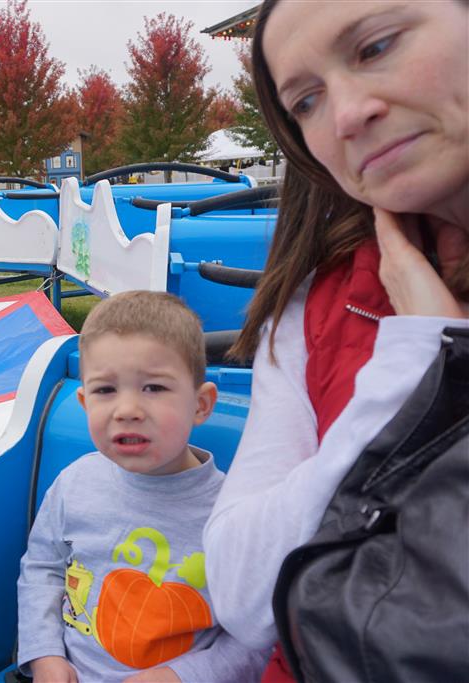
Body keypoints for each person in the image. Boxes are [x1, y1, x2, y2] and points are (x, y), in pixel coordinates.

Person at [202, 1, 468, 681]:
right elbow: (241, 590)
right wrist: (416, 361)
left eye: (376, 47)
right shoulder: (316, 305)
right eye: (307, 101)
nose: (346, 115)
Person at [18, 291, 269, 683]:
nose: (127, 410)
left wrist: (181, 676)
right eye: (105, 390)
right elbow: (42, 570)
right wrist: (44, 655)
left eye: (153, 388)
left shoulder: (233, 514)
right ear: (85, 403)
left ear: (201, 405)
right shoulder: (74, 483)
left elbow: (257, 638)